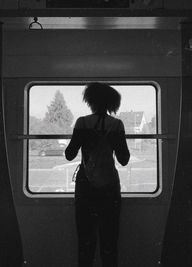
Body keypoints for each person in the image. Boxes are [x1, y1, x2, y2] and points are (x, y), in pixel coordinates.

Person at [65, 82, 130, 267]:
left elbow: (69, 154)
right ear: (110, 104)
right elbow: (124, 159)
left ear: (91, 102)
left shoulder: (82, 122)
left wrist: (84, 138)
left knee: (85, 241)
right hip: (110, 187)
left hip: (85, 187)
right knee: (110, 240)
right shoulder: (116, 124)